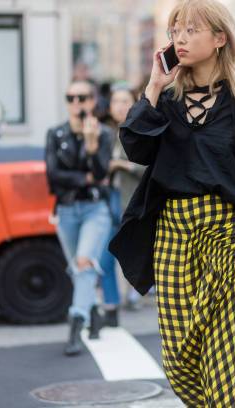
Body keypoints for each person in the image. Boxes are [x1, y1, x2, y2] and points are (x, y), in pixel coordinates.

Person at [107, 0, 235, 405]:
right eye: (175, 31)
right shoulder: (165, 98)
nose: (180, 39)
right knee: (178, 360)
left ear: (220, 38)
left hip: (229, 236)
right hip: (174, 234)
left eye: (191, 30)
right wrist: (153, 86)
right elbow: (135, 147)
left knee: (228, 361)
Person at [45, 80, 113, 356]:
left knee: (84, 262)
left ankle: (76, 323)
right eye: (70, 97)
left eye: (82, 97)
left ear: (93, 101)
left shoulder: (103, 134)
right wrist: (82, 177)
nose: (76, 103)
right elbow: (52, 176)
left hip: (95, 209)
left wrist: (91, 144)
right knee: (79, 269)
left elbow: (99, 175)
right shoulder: (55, 133)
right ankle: (95, 312)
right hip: (65, 210)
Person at [99, 84, 146, 320]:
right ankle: (111, 303)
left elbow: (152, 168)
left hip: (134, 203)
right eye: (116, 101)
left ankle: (135, 293)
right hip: (108, 202)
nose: (120, 106)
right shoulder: (103, 135)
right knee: (105, 255)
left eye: (125, 100)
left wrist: (122, 165)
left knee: (134, 252)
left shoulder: (141, 132)